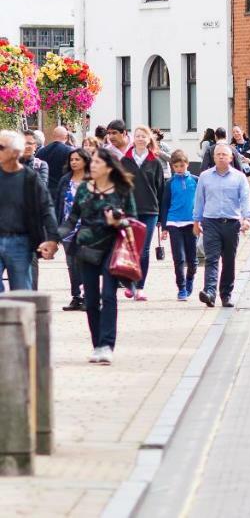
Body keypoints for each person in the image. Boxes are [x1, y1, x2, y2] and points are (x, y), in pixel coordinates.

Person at [59, 147, 136, 364]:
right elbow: (72, 218)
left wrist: (118, 222)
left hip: (112, 246)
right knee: (91, 300)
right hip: (86, 247)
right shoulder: (84, 188)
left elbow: (133, 219)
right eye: (91, 162)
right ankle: (97, 345)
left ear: (109, 167)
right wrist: (54, 238)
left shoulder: (122, 189)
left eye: (96, 163)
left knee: (109, 296)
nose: (92, 165)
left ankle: (107, 344)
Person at [193, 143, 250, 308]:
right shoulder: (205, 177)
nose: (220, 156)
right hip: (210, 222)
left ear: (231, 157)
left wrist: (247, 218)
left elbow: (245, 199)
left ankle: (226, 295)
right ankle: (210, 292)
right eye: (218, 154)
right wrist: (196, 221)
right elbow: (199, 200)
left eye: (224, 154)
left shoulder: (239, 177)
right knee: (211, 259)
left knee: (229, 261)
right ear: (213, 157)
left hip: (232, 224)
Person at [0, 130, 59, 293]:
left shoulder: (29, 178)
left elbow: (46, 206)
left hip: (20, 242)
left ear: (14, 152)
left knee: (22, 294)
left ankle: (20, 319)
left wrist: (53, 238)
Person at [118, 126, 165, 301]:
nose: (139, 139)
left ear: (148, 139)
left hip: (150, 211)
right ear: (132, 139)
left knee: (144, 250)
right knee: (131, 249)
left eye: (143, 136)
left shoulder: (155, 162)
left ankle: (140, 287)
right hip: (129, 211)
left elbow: (160, 190)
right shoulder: (125, 161)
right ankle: (129, 283)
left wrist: (162, 218)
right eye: (137, 136)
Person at [54, 147, 92, 310]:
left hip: (87, 229)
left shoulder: (92, 180)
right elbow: (58, 205)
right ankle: (76, 296)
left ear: (85, 161)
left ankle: (88, 296)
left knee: (86, 263)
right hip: (68, 228)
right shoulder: (65, 180)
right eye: (72, 160)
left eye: (77, 159)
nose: (74, 162)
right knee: (72, 264)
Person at [159, 150, 199, 301]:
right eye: (176, 166)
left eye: (182, 165)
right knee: (179, 258)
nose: (179, 169)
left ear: (187, 164)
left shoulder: (196, 180)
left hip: (191, 223)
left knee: (193, 260)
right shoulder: (169, 184)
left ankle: (190, 279)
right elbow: (164, 205)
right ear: (172, 167)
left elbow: (202, 201)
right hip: (174, 222)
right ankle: (181, 288)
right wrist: (164, 227)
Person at [36, 125, 74, 192]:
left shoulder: (41, 151)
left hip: (45, 189)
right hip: (62, 189)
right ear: (66, 137)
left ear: (53, 136)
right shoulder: (70, 152)